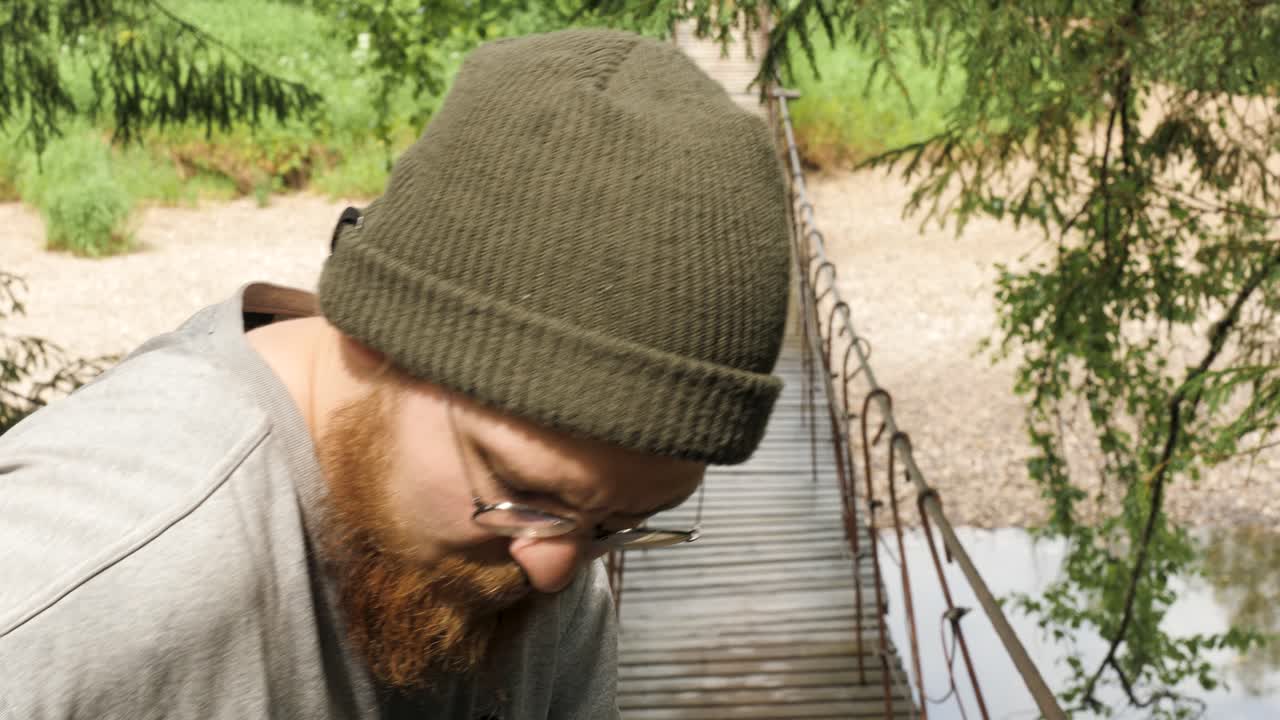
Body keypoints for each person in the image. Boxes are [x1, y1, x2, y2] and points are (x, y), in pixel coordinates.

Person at [0, 28, 791, 719]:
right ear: (378, 330)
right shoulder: (71, 597)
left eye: (623, 526)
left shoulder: (543, 533)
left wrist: (563, 512)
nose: (557, 577)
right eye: (527, 491)